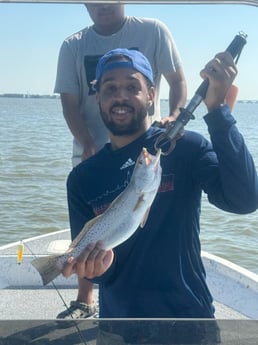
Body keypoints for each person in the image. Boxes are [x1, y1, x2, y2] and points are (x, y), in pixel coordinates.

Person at [62, 48, 258, 343]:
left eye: (132, 86)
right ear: (98, 98)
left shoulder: (184, 147)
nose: (121, 96)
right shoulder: (82, 178)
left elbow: (245, 199)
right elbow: (98, 271)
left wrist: (218, 111)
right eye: (110, 88)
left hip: (190, 320)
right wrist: (97, 269)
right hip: (120, 328)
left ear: (151, 94)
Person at [54, 3, 187, 319]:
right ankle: (86, 298)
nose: (102, 5)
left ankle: (151, 303)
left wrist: (176, 115)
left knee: (140, 225)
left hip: (144, 147)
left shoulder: (153, 30)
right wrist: (87, 142)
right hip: (92, 155)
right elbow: (69, 102)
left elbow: (177, 79)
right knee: (93, 237)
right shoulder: (73, 45)